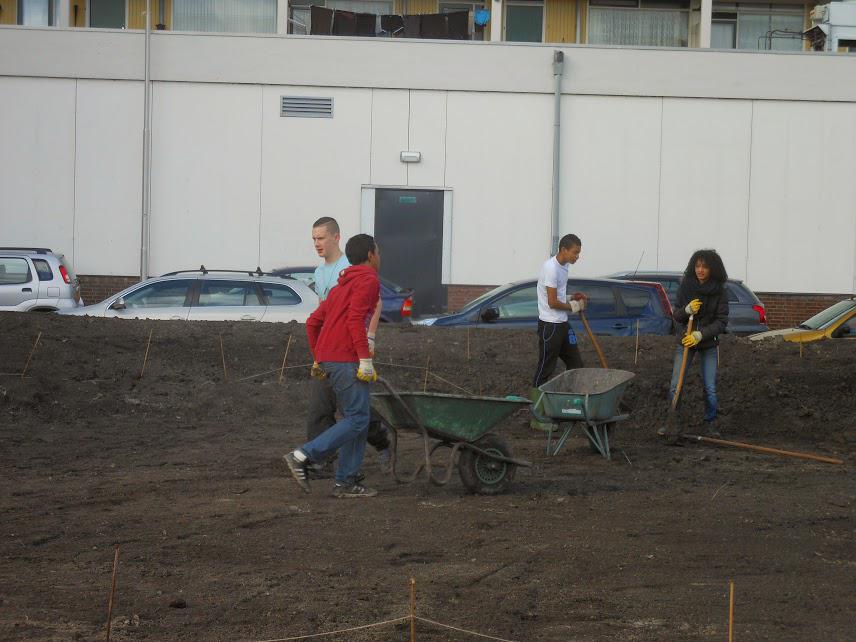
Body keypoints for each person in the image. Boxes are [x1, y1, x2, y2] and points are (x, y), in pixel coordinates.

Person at [284, 234, 382, 498]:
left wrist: (318, 357)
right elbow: (354, 320)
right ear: (371, 255)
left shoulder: (341, 287)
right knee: (359, 418)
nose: (380, 257)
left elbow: (313, 322)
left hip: (331, 360)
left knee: (356, 420)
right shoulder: (369, 279)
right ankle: (304, 455)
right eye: (379, 252)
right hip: (346, 359)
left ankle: (346, 482)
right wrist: (365, 359)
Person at [305, 217, 391, 478]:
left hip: (350, 348)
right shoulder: (320, 273)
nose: (317, 244)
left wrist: (369, 342)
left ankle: (380, 441)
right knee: (322, 407)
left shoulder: (350, 267)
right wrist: (317, 356)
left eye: (321, 238)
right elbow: (320, 316)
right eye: (314, 239)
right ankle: (320, 461)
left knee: (354, 412)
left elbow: (371, 307)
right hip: (332, 349)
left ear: (336, 237)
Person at [658, 249, 730, 439]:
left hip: (707, 343)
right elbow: (676, 315)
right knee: (675, 385)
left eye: (704, 266)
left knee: (709, 386)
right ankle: (672, 423)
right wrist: (686, 309)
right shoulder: (686, 287)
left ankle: (711, 423)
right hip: (685, 341)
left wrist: (700, 334)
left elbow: (721, 322)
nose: (700, 270)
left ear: (712, 269)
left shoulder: (720, 291)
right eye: (697, 266)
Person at [530, 234, 587, 429]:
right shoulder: (551, 268)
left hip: (562, 324)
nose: (577, 256)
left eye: (578, 253)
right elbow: (552, 302)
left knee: (576, 364)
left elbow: (559, 294)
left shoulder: (564, 267)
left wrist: (573, 296)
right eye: (575, 252)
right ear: (564, 249)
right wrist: (574, 306)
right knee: (546, 368)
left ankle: (568, 408)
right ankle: (537, 416)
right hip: (550, 325)